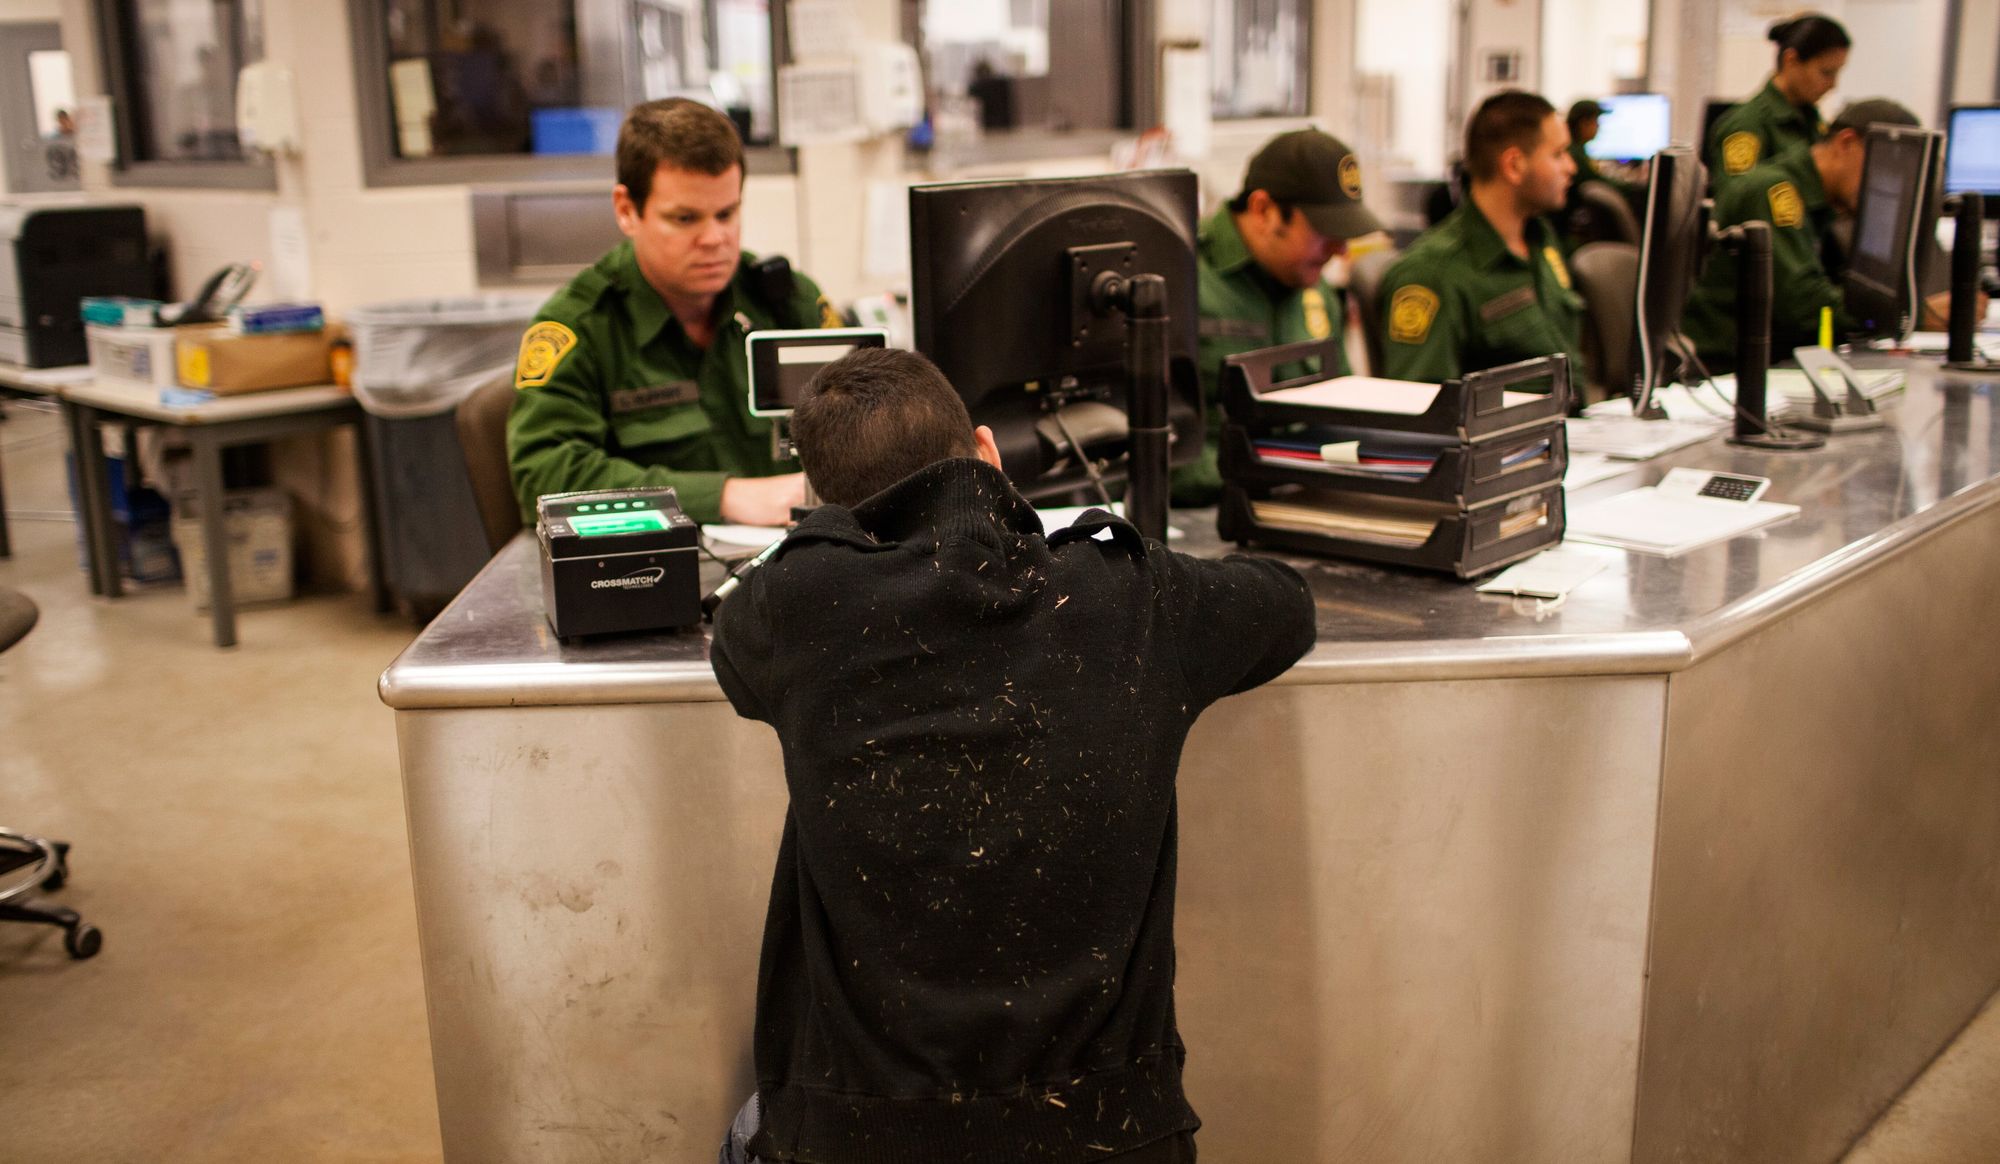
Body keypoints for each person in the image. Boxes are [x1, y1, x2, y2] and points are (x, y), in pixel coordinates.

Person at [710, 347, 1316, 1164]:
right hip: (1109, 1137)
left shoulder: (793, 609)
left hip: (871, 1138)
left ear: (823, 506)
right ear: (989, 454)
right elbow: (1288, 605)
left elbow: (736, 641)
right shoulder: (1134, 597)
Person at [508, 98, 839, 526]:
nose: (715, 239)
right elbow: (544, 476)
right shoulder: (582, 327)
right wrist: (723, 497)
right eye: (685, 218)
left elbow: (870, 426)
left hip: (797, 560)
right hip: (652, 569)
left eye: (727, 213)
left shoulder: (786, 302)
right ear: (627, 210)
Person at [1680, 98, 1979, 367]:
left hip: (1767, 361)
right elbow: (1805, 305)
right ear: (1846, 143)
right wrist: (1915, 314)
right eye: (1882, 168)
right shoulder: (1775, 192)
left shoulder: (1817, 202)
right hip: (1723, 368)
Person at [1173, 128, 1385, 507]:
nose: (1340, 250)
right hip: (1200, 513)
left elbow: (1343, 415)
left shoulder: (1315, 288)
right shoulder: (1178, 277)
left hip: (1303, 505)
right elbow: (1147, 453)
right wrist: (1272, 465)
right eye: (1326, 231)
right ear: (1264, 210)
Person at [1376, 90, 1583, 384]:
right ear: (1514, 165)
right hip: (1512, 430)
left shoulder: (1541, 239)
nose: (1571, 167)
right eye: (1558, 154)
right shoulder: (1433, 274)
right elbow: (1420, 410)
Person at [1706, 14, 1850, 192]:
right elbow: (1740, 198)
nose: (1833, 85)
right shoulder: (1746, 125)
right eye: (1826, 73)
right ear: (1791, 61)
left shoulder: (1811, 120)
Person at [1560, 99, 1642, 247]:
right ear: (1584, 123)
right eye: (1596, 122)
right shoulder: (1575, 154)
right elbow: (1599, 181)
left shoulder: (1579, 150)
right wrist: (1635, 185)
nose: (1599, 127)